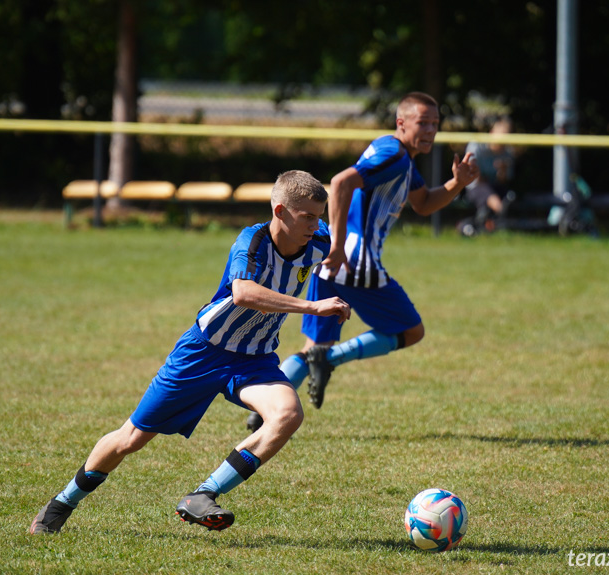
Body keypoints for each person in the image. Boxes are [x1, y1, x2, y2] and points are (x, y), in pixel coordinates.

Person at [30, 170, 350, 534]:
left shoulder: (320, 240)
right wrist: (314, 307)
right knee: (131, 438)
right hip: (203, 353)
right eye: (307, 216)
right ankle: (62, 503)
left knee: (288, 414)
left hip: (255, 359)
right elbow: (244, 293)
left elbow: (337, 245)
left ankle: (203, 495)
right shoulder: (252, 242)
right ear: (280, 211)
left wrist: (340, 269)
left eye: (319, 215)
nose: (315, 224)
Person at [245, 92, 478, 432]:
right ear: (401, 123)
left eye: (434, 124)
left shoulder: (400, 158)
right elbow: (341, 182)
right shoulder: (393, 156)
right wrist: (339, 245)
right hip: (353, 258)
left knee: (315, 343)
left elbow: (424, 203)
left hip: (333, 255)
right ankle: (329, 360)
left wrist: (457, 182)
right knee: (411, 331)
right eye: (422, 123)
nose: (429, 130)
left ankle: (269, 404)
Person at [458, 117, 516, 235]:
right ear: (492, 133)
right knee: (490, 196)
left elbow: (503, 181)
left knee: (508, 197)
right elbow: (475, 178)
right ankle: (500, 217)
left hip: (494, 186)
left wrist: (502, 170)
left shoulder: (507, 153)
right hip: (476, 187)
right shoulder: (477, 146)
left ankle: (495, 223)